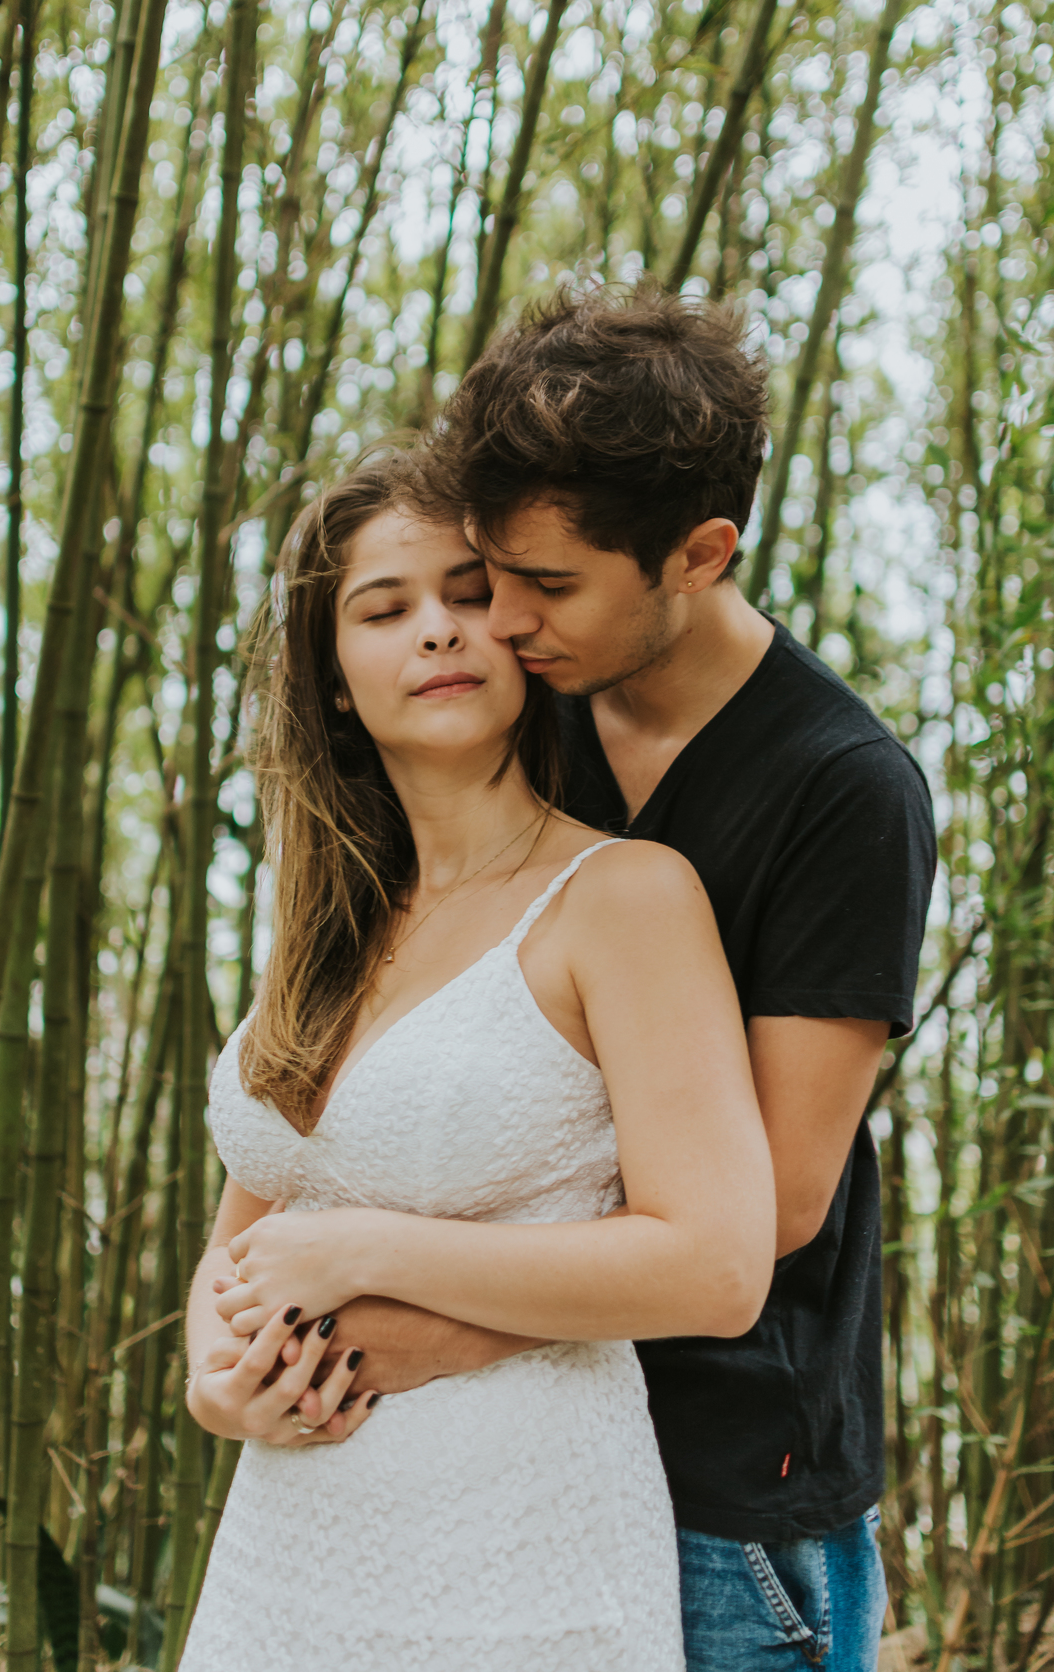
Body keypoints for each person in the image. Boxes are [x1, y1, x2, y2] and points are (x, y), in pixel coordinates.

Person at [310, 285, 937, 1671]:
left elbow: (764, 1202)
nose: (502, 622)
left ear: (699, 552)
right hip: (508, 1464)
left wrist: (437, 1320)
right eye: (489, 575)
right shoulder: (532, 721)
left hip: (726, 1489)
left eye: (547, 585)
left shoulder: (843, 791)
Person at [179, 450, 776, 1671]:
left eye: (469, 594)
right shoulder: (326, 929)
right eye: (385, 610)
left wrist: (367, 1251)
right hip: (286, 1551)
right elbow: (247, 1234)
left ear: (525, 639)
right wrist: (210, 1381)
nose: (439, 633)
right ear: (334, 678)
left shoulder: (622, 898)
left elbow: (714, 1266)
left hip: (521, 1552)